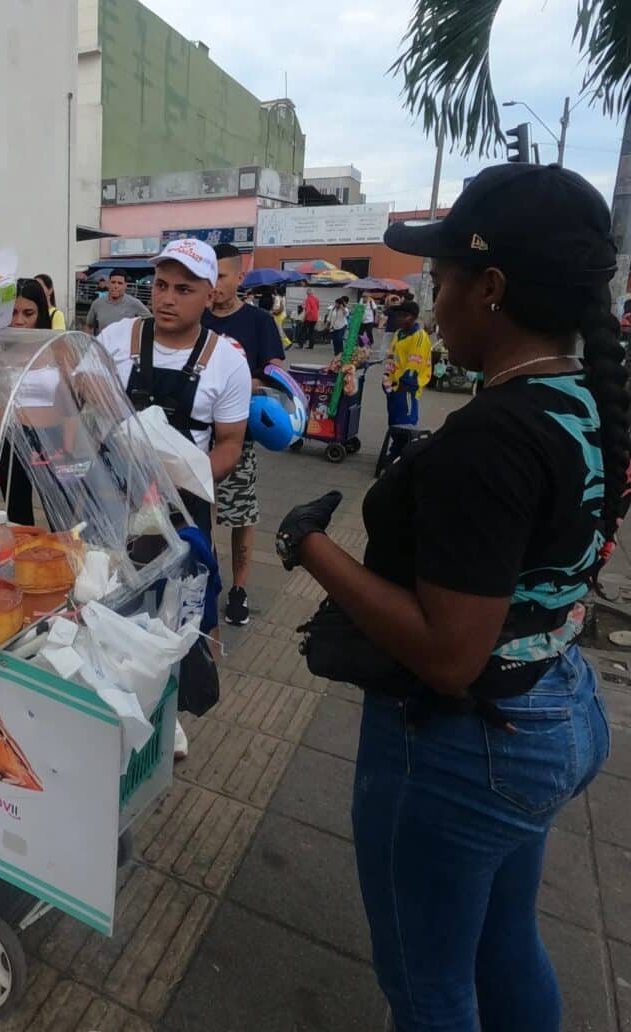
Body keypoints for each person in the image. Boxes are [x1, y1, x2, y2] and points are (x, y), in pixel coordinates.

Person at [274, 163, 625, 1031]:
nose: (433, 305)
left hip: (469, 743)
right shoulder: (586, 400)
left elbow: (446, 653)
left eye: (440, 283)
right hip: (555, 706)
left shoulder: (495, 438)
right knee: (506, 944)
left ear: (492, 288)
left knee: (429, 988)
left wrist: (308, 545)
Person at [95, 238, 250, 542]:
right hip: (112, 500)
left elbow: (230, 444)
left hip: (184, 509)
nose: (167, 299)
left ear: (209, 296)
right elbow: (77, 392)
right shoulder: (116, 338)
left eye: (183, 290)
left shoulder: (228, 362)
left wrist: (183, 481)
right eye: (161, 285)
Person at [201, 243, 286, 627]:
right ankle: (208, 580)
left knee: (240, 517)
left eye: (220, 275)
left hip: (238, 436)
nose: (213, 284)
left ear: (240, 277)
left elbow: (276, 375)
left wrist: (240, 384)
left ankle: (239, 589)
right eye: (208, 275)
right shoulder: (195, 318)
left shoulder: (258, 323)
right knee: (200, 514)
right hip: (194, 434)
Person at [0, 279, 74, 526]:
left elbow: (70, 403)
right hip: (14, 439)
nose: (19, 321)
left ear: (41, 314)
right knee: (17, 518)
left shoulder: (58, 346)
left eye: (28, 313)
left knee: (61, 515)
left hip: (54, 439)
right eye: (13, 312)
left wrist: (67, 448)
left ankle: (62, 562)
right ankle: (24, 562)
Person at [383, 299, 433, 455]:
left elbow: (414, 365)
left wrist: (404, 386)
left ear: (411, 317)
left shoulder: (419, 337)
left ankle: (401, 453)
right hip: (394, 385)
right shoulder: (399, 334)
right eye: (397, 315)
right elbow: (392, 356)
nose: (397, 319)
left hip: (407, 388)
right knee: (394, 422)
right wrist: (387, 379)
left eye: (401, 316)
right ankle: (396, 449)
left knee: (406, 423)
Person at [86, 270, 150, 335]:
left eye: (120, 283)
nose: (116, 286)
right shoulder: (97, 304)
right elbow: (89, 326)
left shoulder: (134, 303)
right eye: (113, 282)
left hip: (125, 344)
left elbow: (151, 322)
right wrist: (91, 343)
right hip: (102, 344)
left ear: (125, 286)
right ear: (108, 284)